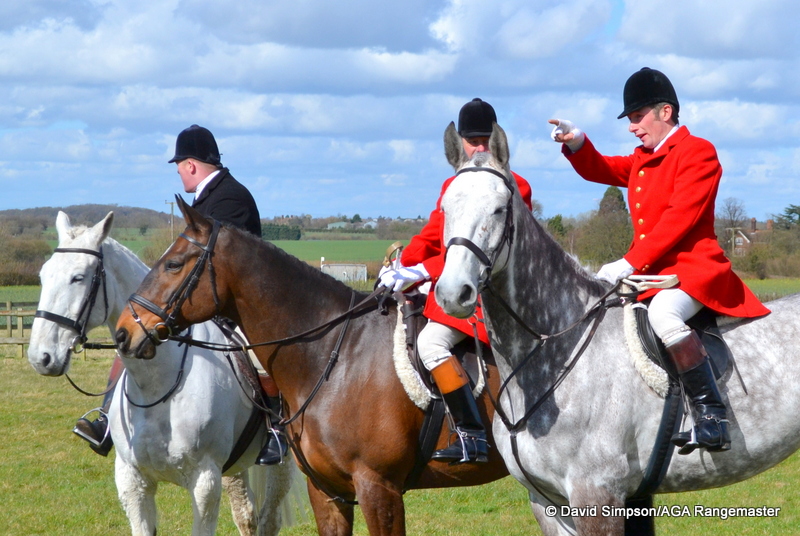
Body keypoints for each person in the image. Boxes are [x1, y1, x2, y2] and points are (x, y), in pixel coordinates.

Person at [549, 67, 770, 454]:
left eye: (637, 117)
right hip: (653, 275)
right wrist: (579, 142)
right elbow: (600, 169)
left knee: (663, 317)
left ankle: (712, 415)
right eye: (631, 120)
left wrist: (629, 261)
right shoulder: (642, 159)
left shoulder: (698, 152)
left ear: (664, 112)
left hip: (694, 271)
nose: (632, 127)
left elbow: (679, 220)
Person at [74, 125, 287, 465]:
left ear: (191, 164)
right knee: (136, 332)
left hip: (236, 305)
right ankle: (106, 419)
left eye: (178, 167)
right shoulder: (203, 199)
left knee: (258, 351)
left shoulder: (231, 196)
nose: (178, 173)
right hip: (202, 301)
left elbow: (221, 263)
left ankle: (276, 428)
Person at [380, 98, 534, 463]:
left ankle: (471, 435)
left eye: (485, 140)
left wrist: (423, 272)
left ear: (497, 141)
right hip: (456, 284)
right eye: (472, 141)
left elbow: (479, 252)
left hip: (488, 294)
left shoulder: (514, 187)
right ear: (461, 143)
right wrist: (401, 266)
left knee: (432, 342)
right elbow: (434, 234)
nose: (478, 148)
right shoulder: (455, 185)